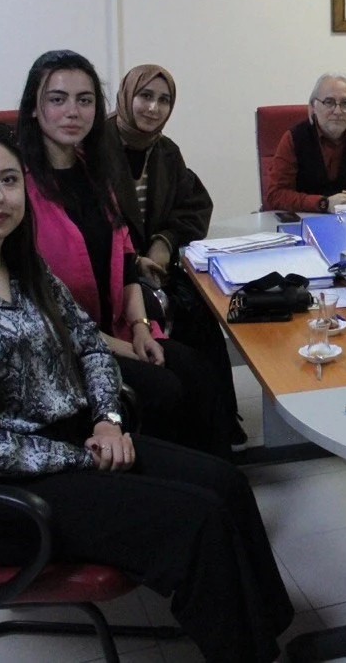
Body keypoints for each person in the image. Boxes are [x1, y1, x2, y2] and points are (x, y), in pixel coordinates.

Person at [0, 123, 293, 662]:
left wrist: (107, 421)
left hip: (68, 443)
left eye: (9, 180)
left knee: (225, 482)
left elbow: (92, 349)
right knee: (195, 522)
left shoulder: (25, 270)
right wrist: (78, 456)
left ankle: (268, 635)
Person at [17, 50, 233, 457]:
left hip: (119, 326)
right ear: (34, 106)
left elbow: (127, 260)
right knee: (166, 388)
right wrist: (122, 346)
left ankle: (218, 475)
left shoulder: (95, 170)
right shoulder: (16, 186)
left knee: (199, 372)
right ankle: (171, 477)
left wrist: (139, 327)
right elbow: (33, 302)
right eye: (57, 99)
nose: (73, 111)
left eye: (84, 100)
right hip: (63, 345)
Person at [103, 63, 244, 446]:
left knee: (203, 313)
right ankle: (189, 431)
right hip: (113, 275)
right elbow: (92, 227)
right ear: (126, 96)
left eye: (163, 100)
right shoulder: (93, 149)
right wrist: (134, 261)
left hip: (158, 271)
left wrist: (163, 245)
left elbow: (194, 205)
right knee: (180, 334)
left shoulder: (165, 152)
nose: (153, 108)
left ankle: (218, 424)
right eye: (145, 96)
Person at [262, 72, 346, 214]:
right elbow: (275, 195)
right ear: (313, 106)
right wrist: (323, 204)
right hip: (305, 220)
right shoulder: (294, 138)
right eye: (329, 102)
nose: (337, 111)